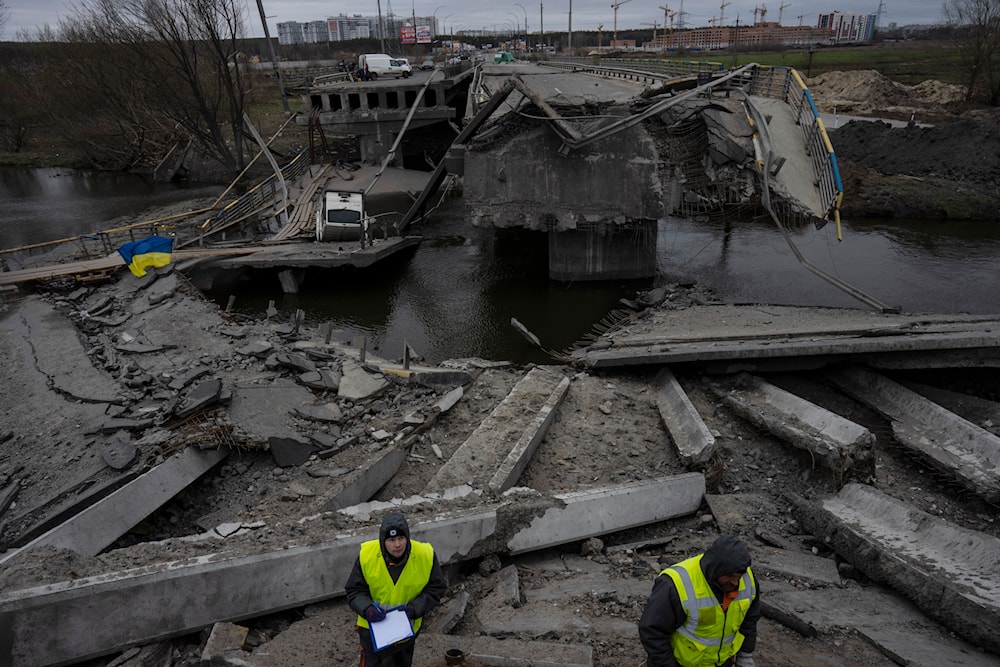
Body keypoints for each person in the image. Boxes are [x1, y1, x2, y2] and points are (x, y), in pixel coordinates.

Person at [638, 534, 760, 667]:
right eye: (729, 576)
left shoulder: (746, 578)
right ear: (715, 570)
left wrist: (745, 655)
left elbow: (749, 620)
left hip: (722, 661)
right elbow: (653, 632)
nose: (736, 582)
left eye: (739, 576)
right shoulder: (675, 585)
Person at [345, 511, 447, 666]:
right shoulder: (367, 556)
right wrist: (367, 609)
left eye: (401, 538)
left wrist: (415, 609)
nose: (397, 544)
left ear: (407, 537)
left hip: (406, 632)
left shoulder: (425, 555)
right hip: (372, 631)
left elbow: (436, 588)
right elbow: (354, 590)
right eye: (391, 540)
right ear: (383, 541)